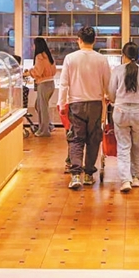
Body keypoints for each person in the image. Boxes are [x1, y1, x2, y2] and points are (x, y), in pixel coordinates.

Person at [58, 26, 111, 190]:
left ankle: (75, 175)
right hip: (95, 104)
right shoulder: (101, 59)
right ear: (94, 40)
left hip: (76, 104)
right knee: (94, 139)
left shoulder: (70, 58)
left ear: (79, 40)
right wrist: (109, 96)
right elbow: (108, 83)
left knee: (76, 138)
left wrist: (62, 103)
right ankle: (88, 174)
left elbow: (64, 84)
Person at [108, 42, 139, 193]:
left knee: (123, 146)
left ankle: (125, 180)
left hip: (120, 111)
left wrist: (114, 100)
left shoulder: (117, 70)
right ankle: (136, 177)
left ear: (124, 55)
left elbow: (111, 93)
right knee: (138, 146)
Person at [26, 37, 57, 137]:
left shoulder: (39, 56)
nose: (32, 46)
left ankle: (44, 131)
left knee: (42, 108)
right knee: (39, 106)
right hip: (51, 83)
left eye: (33, 44)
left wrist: (29, 72)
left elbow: (38, 72)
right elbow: (54, 70)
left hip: (43, 85)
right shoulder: (48, 55)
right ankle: (49, 126)